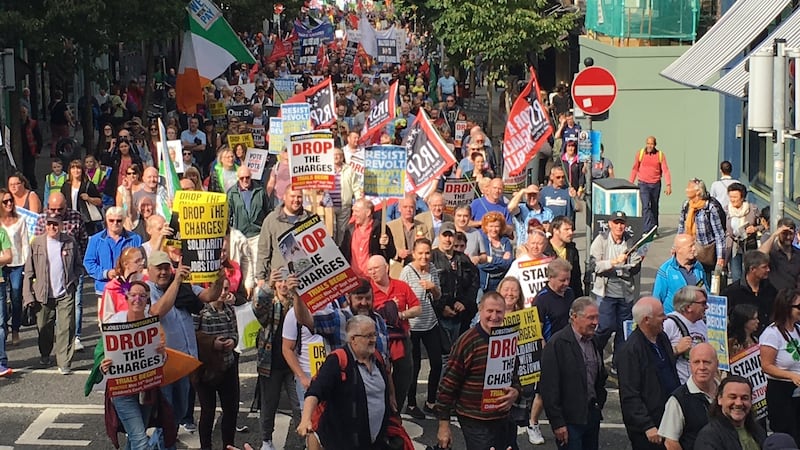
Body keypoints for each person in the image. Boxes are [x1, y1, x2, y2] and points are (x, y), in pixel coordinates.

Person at [146, 251, 223, 450]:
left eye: (166, 267)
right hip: (163, 364)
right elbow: (157, 311)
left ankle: (153, 445)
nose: (163, 272)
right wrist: (176, 282)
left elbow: (208, 296)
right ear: (149, 270)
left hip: (185, 362)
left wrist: (219, 280)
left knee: (179, 413)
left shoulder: (182, 286)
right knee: (167, 416)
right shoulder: (146, 290)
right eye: (159, 268)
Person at [435, 292, 520, 450]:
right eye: (489, 311)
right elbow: (448, 384)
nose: (494, 316)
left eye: (499, 312)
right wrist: (444, 425)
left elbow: (515, 374)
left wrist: (515, 391)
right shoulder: (467, 342)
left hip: (503, 418)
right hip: (474, 419)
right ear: (480, 310)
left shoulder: (509, 338)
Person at [98, 280, 176, 450]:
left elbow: (160, 361)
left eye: (142, 296)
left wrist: (163, 353)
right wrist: (103, 366)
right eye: (133, 295)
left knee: (134, 439)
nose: (137, 299)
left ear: (148, 300)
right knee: (140, 441)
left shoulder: (153, 324)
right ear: (126, 297)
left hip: (146, 389)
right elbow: (101, 356)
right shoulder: (114, 323)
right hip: (122, 391)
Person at [296, 315, 393, 450]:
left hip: (374, 443)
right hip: (343, 443)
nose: (373, 340)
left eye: (374, 334)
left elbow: (387, 383)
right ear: (353, 339)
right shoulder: (337, 360)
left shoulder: (377, 358)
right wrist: (306, 419)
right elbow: (315, 391)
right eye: (368, 336)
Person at [540, 297, 607, 450]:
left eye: (597, 317)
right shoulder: (557, 345)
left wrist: (599, 403)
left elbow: (600, 377)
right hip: (570, 421)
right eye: (591, 317)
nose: (596, 322)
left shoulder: (594, 341)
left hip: (591, 415)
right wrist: (558, 423)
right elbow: (549, 389)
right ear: (574, 317)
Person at [251, 268, 304, 450]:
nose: (283, 285)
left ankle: (306, 440)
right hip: (271, 364)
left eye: (285, 281)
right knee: (268, 405)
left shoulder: (295, 302)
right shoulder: (270, 303)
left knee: (300, 404)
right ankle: (266, 440)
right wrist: (265, 286)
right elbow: (257, 308)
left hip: (293, 364)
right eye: (279, 281)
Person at [618, 297, 679, 450]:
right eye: (661, 315)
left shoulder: (662, 338)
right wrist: (647, 425)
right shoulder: (630, 351)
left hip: (668, 418)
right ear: (646, 320)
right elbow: (630, 394)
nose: (665, 318)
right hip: (650, 428)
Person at [23, 213, 81, 373]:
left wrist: (74, 281)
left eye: (55, 224)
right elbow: (29, 271)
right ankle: (45, 354)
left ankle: (64, 362)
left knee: (66, 327)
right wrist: (28, 295)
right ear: (45, 225)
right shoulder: (37, 243)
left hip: (65, 292)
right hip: (43, 294)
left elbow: (78, 264)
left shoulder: (70, 241)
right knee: (44, 327)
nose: (52, 228)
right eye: (49, 224)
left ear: (61, 225)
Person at [35, 192, 90, 350]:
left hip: (71, 271)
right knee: (47, 316)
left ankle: (75, 338)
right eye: (53, 209)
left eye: (60, 209)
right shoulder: (41, 220)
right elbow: (36, 247)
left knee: (75, 305)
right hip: (48, 273)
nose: (56, 213)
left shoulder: (76, 217)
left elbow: (84, 240)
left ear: (66, 205)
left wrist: (79, 266)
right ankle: (48, 347)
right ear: (47, 207)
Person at [590, 210, 642, 368]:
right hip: (605, 294)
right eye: (616, 223)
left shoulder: (630, 242)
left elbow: (634, 267)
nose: (619, 226)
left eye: (622, 223)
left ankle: (617, 364)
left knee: (623, 331)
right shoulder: (601, 240)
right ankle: (594, 357)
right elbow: (594, 265)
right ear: (610, 224)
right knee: (604, 327)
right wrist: (613, 262)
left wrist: (624, 267)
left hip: (625, 294)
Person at [400, 238, 444, 419]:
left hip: (430, 323)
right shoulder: (407, 272)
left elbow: (438, 295)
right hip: (413, 326)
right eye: (420, 253)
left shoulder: (432, 269)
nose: (424, 257)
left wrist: (433, 287)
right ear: (413, 253)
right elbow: (401, 298)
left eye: (427, 253)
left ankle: (431, 401)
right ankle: (411, 403)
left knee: (437, 363)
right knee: (415, 366)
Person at [194, 278, 239, 450]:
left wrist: (232, 343)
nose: (223, 292)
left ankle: (229, 446)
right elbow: (193, 335)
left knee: (231, 411)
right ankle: (206, 447)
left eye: (226, 288)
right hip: (206, 369)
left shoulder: (230, 310)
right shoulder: (200, 310)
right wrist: (213, 343)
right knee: (208, 412)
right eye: (220, 288)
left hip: (228, 365)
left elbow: (235, 333)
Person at [657, 343, 719, 450]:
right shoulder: (678, 400)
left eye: (707, 362)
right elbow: (671, 443)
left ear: (717, 364)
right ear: (690, 365)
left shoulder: (726, 392)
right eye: (696, 362)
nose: (702, 367)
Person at [759, 287, 800, 444]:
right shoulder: (772, 334)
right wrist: (791, 376)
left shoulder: (797, 329)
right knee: (789, 436)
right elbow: (766, 366)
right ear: (787, 307)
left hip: (797, 395)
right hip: (781, 394)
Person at [431, 222, 480, 339]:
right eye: (445, 236)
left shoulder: (463, 259)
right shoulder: (431, 258)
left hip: (461, 315)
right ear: (439, 237)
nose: (448, 240)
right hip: (438, 316)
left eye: (451, 236)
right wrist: (442, 307)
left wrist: (464, 302)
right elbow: (428, 287)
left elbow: (474, 282)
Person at [256, 188, 312, 286]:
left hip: (306, 278)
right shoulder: (271, 220)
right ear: (284, 197)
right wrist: (261, 277)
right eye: (292, 196)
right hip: (280, 280)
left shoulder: (310, 218)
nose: (296, 200)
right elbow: (263, 250)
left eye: (299, 197)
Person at [693, 376, 767, 449]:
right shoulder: (708, 437)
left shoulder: (759, 431)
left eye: (744, 398)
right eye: (732, 397)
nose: (739, 403)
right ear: (720, 399)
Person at [722, 250, 776, 337]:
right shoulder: (731, 292)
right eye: (764, 267)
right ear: (752, 269)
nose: (768, 270)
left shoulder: (770, 289)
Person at [677, 178, 726, 273]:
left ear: (698, 192)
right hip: (690, 250)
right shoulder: (687, 205)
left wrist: (720, 257)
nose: (686, 190)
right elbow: (681, 227)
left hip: (706, 253)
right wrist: (676, 246)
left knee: (706, 282)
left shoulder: (710, 207)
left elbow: (719, 234)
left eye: (689, 188)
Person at [0, 188, 29, 347]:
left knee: (16, 295)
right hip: (2, 264)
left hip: (17, 263)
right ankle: (3, 329)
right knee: (2, 299)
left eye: (11, 200)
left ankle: (16, 328)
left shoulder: (20, 219)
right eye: (5, 201)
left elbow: (25, 243)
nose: (9, 203)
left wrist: (26, 264)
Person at [663, 286, 709, 384]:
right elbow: (654, 354)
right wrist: (676, 350)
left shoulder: (701, 323)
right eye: (703, 303)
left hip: (697, 385)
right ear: (688, 307)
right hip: (676, 386)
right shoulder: (669, 323)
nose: (707, 307)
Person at [340, 198, 395, 278]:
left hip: (373, 279)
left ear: (368, 212)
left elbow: (391, 254)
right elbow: (344, 253)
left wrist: (386, 245)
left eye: (357, 211)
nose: (353, 214)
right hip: (353, 280)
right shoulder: (349, 229)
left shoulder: (381, 229)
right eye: (353, 211)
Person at [653, 234, 708, 314]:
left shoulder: (698, 266)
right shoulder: (666, 270)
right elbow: (657, 299)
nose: (694, 249)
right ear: (679, 250)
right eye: (690, 246)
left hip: (695, 318)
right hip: (673, 320)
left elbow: (705, 290)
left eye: (694, 245)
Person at [629, 136, 672, 235]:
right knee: (645, 206)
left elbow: (665, 170)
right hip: (643, 183)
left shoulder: (660, 155)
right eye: (648, 143)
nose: (649, 146)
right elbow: (635, 169)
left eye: (651, 144)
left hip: (656, 184)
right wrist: (630, 182)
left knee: (654, 206)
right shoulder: (640, 154)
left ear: (655, 145)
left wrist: (668, 185)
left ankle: (654, 228)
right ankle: (646, 230)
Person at [227, 166, 268, 266]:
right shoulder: (232, 193)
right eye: (242, 178)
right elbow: (228, 215)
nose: (245, 180)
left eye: (247, 177)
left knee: (257, 265)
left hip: (257, 234)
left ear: (251, 176)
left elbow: (268, 211)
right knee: (241, 267)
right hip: (240, 234)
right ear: (238, 178)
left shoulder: (260, 191)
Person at [387, 195, 431, 278]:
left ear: (415, 209)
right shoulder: (390, 226)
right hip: (398, 269)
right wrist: (397, 252)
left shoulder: (422, 226)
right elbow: (385, 248)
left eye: (411, 207)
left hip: (417, 269)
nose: (408, 210)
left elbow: (429, 246)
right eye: (405, 207)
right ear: (399, 209)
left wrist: (421, 243)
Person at [97, 247, 146, 323]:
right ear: (126, 264)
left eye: (142, 260)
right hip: (123, 330)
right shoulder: (112, 287)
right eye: (137, 261)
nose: (142, 263)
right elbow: (106, 319)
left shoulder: (146, 282)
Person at [534, 258, 577, 341]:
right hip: (552, 345)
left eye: (568, 279)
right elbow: (537, 332)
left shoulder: (569, 292)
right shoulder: (541, 299)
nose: (566, 283)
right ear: (550, 278)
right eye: (562, 280)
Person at [725, 183, 759, 282]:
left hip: (749, 246)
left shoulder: (752, 209)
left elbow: (763, 225)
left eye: (735, 197)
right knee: (736, 276)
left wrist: (755, 229)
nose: (732, 199)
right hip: (734, 246)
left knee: (749, 274)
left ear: (742, 197)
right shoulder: (726, 210)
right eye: (730, 197)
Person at [60, 159, 104, 235]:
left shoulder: (88, 184)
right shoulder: (66, 185)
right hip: (69, 219)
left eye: (78, 168)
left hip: (85, 220)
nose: (76, 171)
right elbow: (62, 200)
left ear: (82, 170)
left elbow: (99, 201)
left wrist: (89, 198)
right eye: (73, 168)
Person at [759, 218, 800, 292]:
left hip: (793, 297)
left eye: (791, 234)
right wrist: (774, 235)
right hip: (774, 296)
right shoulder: (771, 251)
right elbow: (759, 256)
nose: (788, 237)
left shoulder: (797, 253)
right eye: (784, 234)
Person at [508, 184, 555, 249]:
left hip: (542, 250)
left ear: (539, 196)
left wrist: (548, 230)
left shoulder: (548, 213)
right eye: (529, 194)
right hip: (524, 250)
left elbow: (553, 233)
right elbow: (510, 208)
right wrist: (522, 192)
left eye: (534, 195)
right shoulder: (521, 208)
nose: (532, 197)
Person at [476, 211, 514, 292]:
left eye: (497, 226)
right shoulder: (481, 241)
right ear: (486, 227)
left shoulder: (505, 241)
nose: (494, 229)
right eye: (491, 226)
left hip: (502, 282)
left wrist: (491, 259)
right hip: (486, 284)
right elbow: (482, 265)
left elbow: (508, 263)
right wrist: (501, 262)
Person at [548, 215, 584, 297]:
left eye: (571, 229)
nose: (571, 233)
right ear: (555, 230)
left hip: (568, 296)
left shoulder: (572, 250)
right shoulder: (544, 249)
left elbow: (576, 279)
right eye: (566, 229)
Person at [20, 106, 43, 190]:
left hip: (30, 151)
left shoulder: (32, 123)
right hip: (21, 150)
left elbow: (38, 137)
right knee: (24, 170)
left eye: (24, 112)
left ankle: (34, 186)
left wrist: (38, 151)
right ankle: (27, 187)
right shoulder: (17, 124)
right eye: (21, 113)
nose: (22, 115)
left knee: (30, 171)